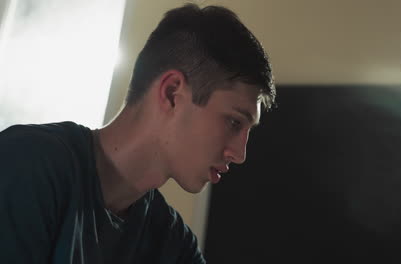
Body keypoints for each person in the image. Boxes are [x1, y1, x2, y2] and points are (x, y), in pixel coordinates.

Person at [0, 3, 275, 264]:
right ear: (172, 93)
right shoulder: (27, 164)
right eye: (234, 123)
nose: (239, 154)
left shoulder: (173, 243)